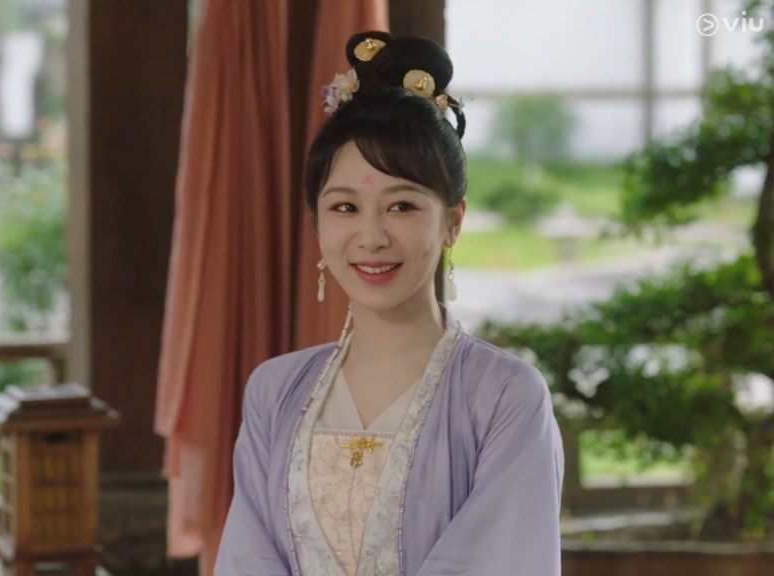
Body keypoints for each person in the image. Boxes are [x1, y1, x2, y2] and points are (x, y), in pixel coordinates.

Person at [214, 31, 564, 576]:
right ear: (316, 223)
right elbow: (247, 560)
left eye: (402, 206)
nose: (372, 237)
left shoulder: (504, 397)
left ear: (453, 221)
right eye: (345, 207)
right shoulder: (274, 392)